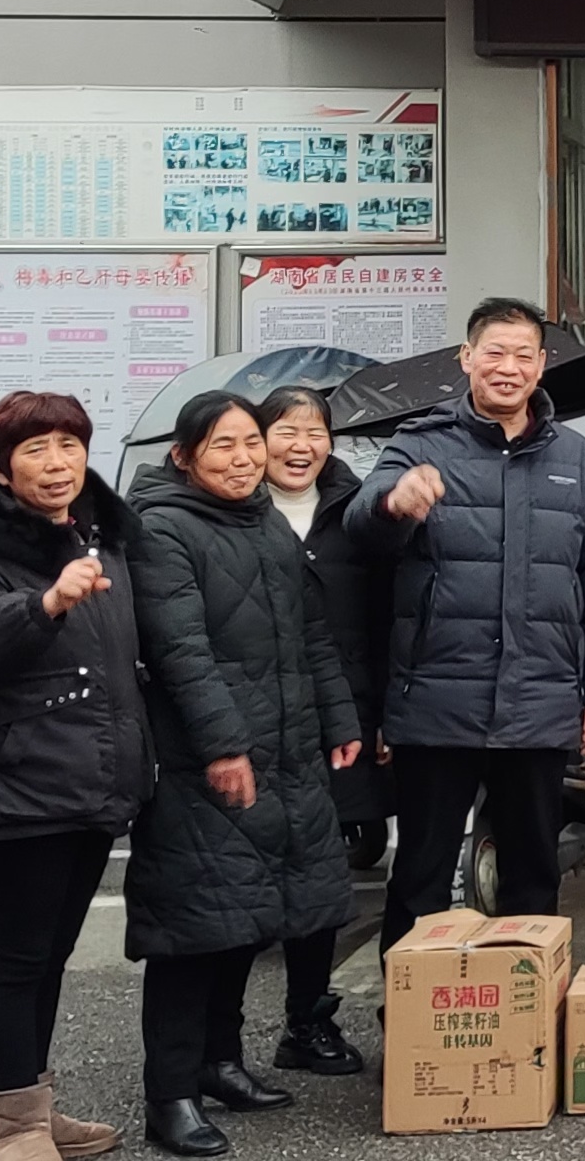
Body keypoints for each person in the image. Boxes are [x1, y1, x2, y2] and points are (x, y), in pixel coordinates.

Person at [124, 392, 362, 1157]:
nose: (243, 459)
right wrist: (225, 747)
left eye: (250, 443)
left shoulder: (263, 521)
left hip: (285, 754)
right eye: (222, 446)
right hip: (204, 763)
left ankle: (220, 1063)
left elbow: (311, 635)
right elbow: (180, 652)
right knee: (191, 928)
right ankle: (170, 1094)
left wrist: (339, 719)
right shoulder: (162, 528)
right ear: (183, 456)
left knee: (245, 917)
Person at [349, 300, 585, 946]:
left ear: (541, 364)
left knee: (533, 873)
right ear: (467, 358)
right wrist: (394, 502)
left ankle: (531, 1002)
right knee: (421, 875)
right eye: (494, 353)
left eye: (523, 355)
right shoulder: (419, 444)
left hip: (539, 699)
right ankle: (411, 1005)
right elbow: (363, 525)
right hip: (438, 701)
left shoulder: (577, 457)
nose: (508, 367)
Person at [0, 393, 146, 1161]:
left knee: (50, 954)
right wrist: (44, 603)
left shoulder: (100, 540)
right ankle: (17, 1127)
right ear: (0, 470)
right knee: (17, 956)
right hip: (20, 781)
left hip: (91, 778)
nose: (57, 464)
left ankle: (27, 1111)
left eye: (69, 445)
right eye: (35, 450)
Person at [249, 386, 379, 1080]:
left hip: (339, 719)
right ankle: (215, 1044)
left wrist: (382, 715)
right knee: (241, 878)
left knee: (322, 879)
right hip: (249, 721)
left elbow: (388, 613)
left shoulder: (357, 511)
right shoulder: (232, 508)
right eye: (286, 431)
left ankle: (307, 1020)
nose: (301, 446)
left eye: (316, 432)